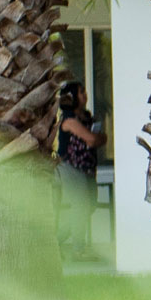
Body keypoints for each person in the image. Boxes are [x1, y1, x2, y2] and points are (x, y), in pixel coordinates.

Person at [56, 82, 104, 260]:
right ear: (73, 97)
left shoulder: (86, 117)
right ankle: (78, 250)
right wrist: (99, 138)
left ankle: (54, 242)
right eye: (81, 92)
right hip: (71, 168)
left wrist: (99, 138)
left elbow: (99, 138)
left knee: (88, 206)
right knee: (81, 207)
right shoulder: (69, 121)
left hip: (87, 169)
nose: (85, 95)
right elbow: (92, 139)